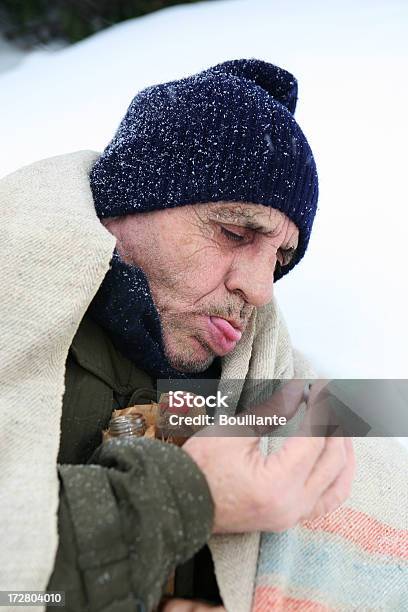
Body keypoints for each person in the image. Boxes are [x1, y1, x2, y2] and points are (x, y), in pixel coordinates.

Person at [1, 59, 357, 612]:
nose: (261, 290)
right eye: (236, 232)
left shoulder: (264, 389)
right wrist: (187, 498)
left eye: (280, 259)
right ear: (130, 203)